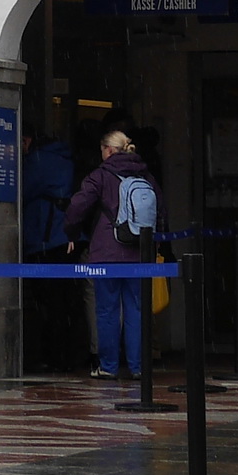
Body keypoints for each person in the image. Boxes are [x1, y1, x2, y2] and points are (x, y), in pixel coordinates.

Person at [64, 126, 155, 377]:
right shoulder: (145, 175)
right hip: (139, 251)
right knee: (137, 310)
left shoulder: (101, 175)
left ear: (109, 150)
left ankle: (108, 367)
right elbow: (160, 212)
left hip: (107, 251)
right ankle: (139, 367)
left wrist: (71, 232)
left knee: (107, 310)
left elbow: (77, 205)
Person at [21, 129, 87, 373]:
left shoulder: (38, 161)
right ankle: (75, 354)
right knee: (69, 298)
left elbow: (22, 191)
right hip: (69, 236)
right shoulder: (63, 158)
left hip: (48, 237)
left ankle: (57, 355)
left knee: (51, 301)